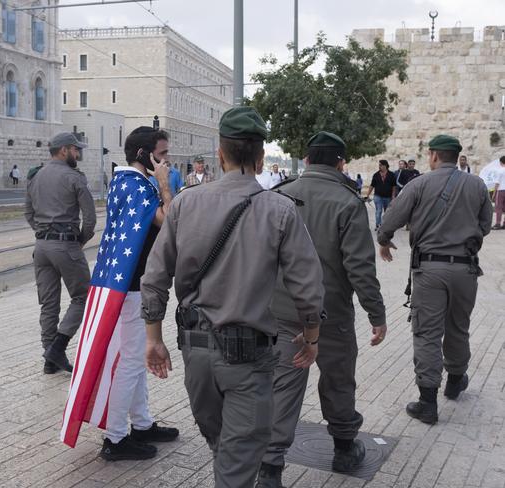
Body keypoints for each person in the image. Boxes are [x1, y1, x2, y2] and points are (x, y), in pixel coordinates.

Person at [141, 107, 325, 488]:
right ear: (260, 159)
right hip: (248, 361)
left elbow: (155, 277)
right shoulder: (281, 210)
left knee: (224, 448)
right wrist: (311, 339)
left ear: (220, 154)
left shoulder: (186, 205)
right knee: (238, 462)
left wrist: (153, 339)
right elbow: (308, 288)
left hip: (196, 356)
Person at [257, 132, 387, 487]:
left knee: (283, 385)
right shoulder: (347, 202)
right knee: (338, 378)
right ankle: (345, 448)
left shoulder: (279, 193)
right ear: (341, 163)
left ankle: (270, 468)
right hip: (331, 311)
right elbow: (360, 268)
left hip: (280, 309)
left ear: (308, 160)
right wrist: (377, 314)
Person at [378, 135, 492, 424]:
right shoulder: (477, 184)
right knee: (458, 326)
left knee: (427, 332)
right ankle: (455, 381)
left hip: (429, 270)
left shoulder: (419, 184)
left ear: (432, 156)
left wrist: (383, 239)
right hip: (466, 269)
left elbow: (392, 217)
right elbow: (486, 225)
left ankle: (427, 403)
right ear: (457, 157)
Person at [99, 127, 179, 461]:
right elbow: (174, 222)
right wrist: (163, 183)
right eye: (162, 154)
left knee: (132, 358)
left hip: (124, 282)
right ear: (146, 155)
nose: (167, 160)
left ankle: (142, 424)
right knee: (131, 362)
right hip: (132, 286)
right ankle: (115, 438)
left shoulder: (122, 180)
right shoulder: (140, 187)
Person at [24, 132, 96, 374]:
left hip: (41, 247)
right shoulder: (74, 177)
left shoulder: (36, 177)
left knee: (48, 303)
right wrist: (80, 241)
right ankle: (58, 347)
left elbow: (27, 213)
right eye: (76, 149)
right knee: (84, 297)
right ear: (64, 150)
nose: (78, 154)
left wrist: (42, 232)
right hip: (66, 245)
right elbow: (90, 218)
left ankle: (49, 359)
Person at [366, 160, 397, 230]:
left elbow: (394, 186)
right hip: (378, 196)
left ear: (385, 165)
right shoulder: (376, 175)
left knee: (387, 212)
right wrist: (367, 195)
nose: (379, 166)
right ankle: (378, 225)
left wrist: (393, 196)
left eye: (380, 165)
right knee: (378, 211)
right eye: (379, 165)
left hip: (388, 197)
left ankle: (385, 225)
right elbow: (372, 185)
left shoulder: (391, 174)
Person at [492, 155, 505, 229]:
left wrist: (494, 194)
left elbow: (497, 183)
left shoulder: (500, 170)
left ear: (501, 162)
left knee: (498, 207)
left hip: (501, 190)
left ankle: (498, 223)